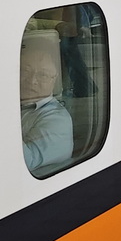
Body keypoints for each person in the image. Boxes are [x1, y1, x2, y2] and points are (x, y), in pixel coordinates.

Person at [19, 30, 74, 175]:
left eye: (42, 75)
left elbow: (24, 162)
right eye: (25, 71)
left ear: (55, 78)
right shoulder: (20, 105)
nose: (32, 81)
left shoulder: (57, 120)